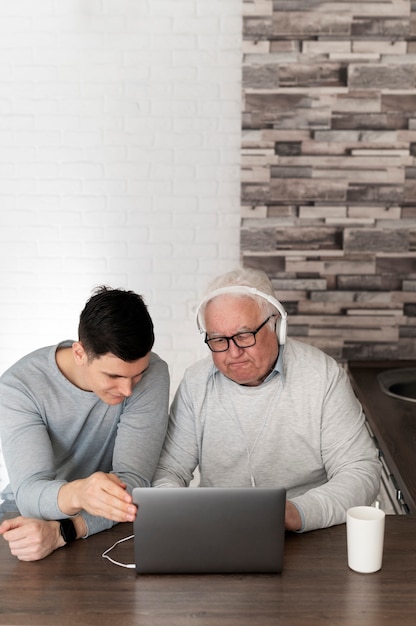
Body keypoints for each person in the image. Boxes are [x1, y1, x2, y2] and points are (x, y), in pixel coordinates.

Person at [152, 267, 381, 532]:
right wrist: (181, 509)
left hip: (310, 534)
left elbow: (360, 471)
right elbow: (167, 471)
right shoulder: (196, 383)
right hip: (217, 531)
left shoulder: (323, 376)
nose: (233, 352)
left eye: (244, 336)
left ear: (277, 326)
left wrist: (297, 512)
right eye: (218, 339)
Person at [0, 286, 169, 561]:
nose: (127, 390)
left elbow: (133, 481)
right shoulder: (19, 386)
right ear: (80, 353)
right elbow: (29, 492)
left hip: (103, 517)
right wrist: (79, 492)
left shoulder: (153, 373)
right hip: (27, 510)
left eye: (136, 375)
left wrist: (64, 530)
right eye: (113, 376)